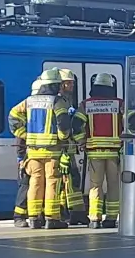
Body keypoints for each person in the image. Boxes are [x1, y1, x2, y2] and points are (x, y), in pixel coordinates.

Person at [10, 69, 83, 229]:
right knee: (52, 183)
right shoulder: (57, 102)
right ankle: (52, 218)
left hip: (33, 152)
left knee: (35, 183)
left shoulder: (29, 101)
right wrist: (64, 138)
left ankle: (34, 218)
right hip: (52, 152)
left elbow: (13, 116)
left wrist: (26, 134)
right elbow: (63, 125)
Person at [82, 73, 124, 229]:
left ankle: (95, 218)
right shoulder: (120, 104)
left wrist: (81, 140)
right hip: (114, 153)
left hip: (94, 153)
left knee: (95, 186)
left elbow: (78, 124)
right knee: (114, 185)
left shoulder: (86, 104)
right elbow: (133, 120)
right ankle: (112, 218)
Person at [9, 79, 44, 227]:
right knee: (25, 185)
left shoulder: (34, 117)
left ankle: (35, 215)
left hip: (33, 155)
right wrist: (20, 157)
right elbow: (20, 141)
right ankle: (19, 216)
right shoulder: (26, 121)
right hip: (27, 156)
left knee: (35, 185)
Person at [58, 71, 89, 226]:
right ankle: (68, 213)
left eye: (72, 83)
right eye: (68, 83)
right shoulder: (58, 101)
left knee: (71, 183)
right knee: (66, 183)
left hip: (68, 150)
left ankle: (75, 213)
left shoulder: (66, 100)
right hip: (62, 150)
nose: (71, 85)